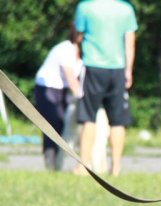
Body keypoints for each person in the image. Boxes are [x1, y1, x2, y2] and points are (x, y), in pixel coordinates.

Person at [73, 0, 137, 176]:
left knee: (88, 118)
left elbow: (77, 37)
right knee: (118, 121)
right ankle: (116, 167)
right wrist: (128, 70)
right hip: (117, 69)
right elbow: (129, 42)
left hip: (93, 66)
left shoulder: (85, 7)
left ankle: (84, 166)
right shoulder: (126, 9)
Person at [34, 27, 83, 171]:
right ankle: (51, 164)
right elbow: (71, 78)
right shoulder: (66, 49)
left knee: (63, 124)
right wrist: (84, 100)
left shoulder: (83, 53)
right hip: (47, 87)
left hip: (62, 89)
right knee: (52, 124)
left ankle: (58, 165)